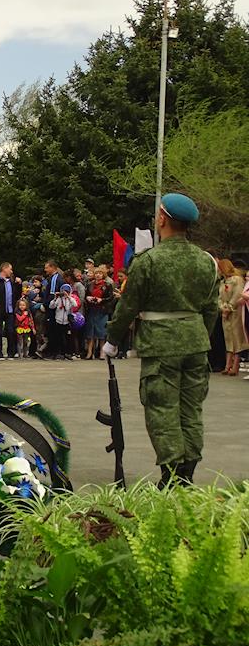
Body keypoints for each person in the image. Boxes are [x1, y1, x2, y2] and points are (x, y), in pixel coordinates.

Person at [103, 193, 220, 487]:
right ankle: (188, 472)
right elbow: (211, 308)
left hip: (161, 345)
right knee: (191, 410)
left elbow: (128, 306)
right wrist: (198, 336)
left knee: (162, 409)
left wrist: (113, 339)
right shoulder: (206, 261)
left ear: (162, 219)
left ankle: (172, 475)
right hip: (196, 343)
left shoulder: (149, 260)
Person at [218, 259, 248, 376]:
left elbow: (237, 295)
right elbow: (219, 297)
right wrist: (222, 308)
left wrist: (229, 308)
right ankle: (227, 365)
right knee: (228, 338)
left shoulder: (237, 280)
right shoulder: (223, 281)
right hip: (225, 313)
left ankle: (235, 365)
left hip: (236, 312)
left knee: (236, 338)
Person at [0, 262, 22, 359]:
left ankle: (11, 352)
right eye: (10, 269)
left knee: (10, 331)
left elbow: (17, 295)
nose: (11, 271)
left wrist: (19, 285)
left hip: (10, 310)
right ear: (4, 269)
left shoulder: (12, 281)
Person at [83, 265, 114, 360]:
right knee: (90, 332)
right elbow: (86, 295)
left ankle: (102, 352)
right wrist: (88, 298)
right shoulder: (90, 284)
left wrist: (102, 300)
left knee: (101, 332)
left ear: (103, 275)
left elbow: (110, 298)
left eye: (100, 273)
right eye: (96, 273)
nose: (98, 275)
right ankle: (89, 352)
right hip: (92, 310)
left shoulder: (107, 285)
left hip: (102, 311)